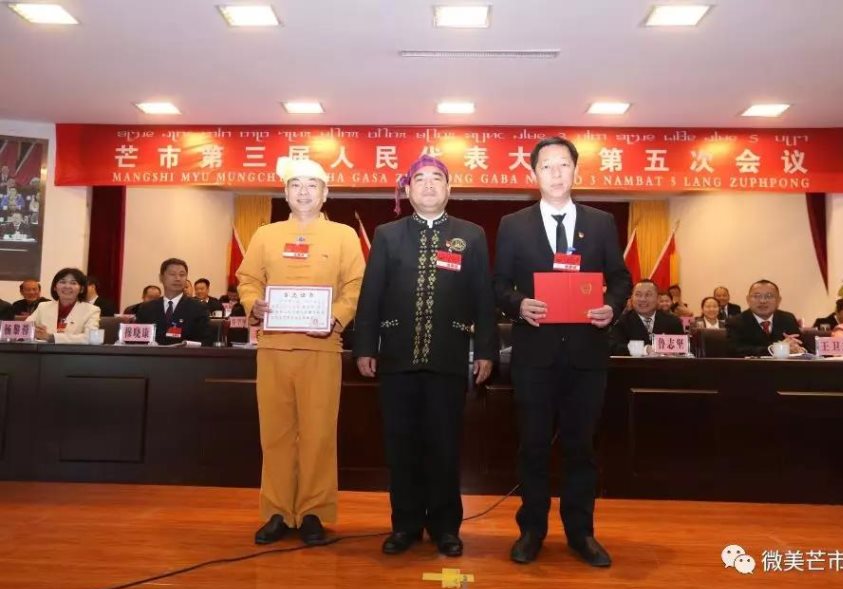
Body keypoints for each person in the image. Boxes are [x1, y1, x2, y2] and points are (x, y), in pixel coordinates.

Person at [493, 137, 631, 567]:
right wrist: (518, 304)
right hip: (535, 355)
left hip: (587, 356)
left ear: (576, 170)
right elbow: (498, 284)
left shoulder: (601, 222)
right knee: (533, 446)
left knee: (581, 448)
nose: (556, 173)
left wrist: (612, 306)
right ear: (533, 174)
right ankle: (531, 530)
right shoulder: (513, 224)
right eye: (547, 166)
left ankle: (581, 533)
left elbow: (621, 278)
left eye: (563, 165)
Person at [353, 155, 497, 558]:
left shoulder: (470, 235)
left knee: (444, 446)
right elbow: (371, 295)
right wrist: (365, 346)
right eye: (420, 179)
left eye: (437, 178)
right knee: (401, 446)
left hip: (449, 356)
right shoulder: (387, 234)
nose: (429, 185)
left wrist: (486, 350)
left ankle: (446, 527)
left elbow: (483, 297)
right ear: (408, 189)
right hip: (396, 358)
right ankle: (405, 525)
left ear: (449, 189)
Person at [238, 158, 364, 546]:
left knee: (318, 434)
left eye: (312, 185)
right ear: (285, 193)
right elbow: (248, 280)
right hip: (273, 347)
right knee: (275, 434)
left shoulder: (343, 235)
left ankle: (313, 512)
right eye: (296, 185)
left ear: (325, 194)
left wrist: (336, 318)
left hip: (321, 347)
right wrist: (254, 304)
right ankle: (277, 511)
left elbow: (355, 285)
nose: (304, 192)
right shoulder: (266, 235)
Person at [135, 258, 210, 345]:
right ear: (161, 278)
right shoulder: (146, 308)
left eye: (182, 275)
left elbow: (204, 342)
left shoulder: (198, 308)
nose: (178, 278)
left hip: (184, 353)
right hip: (151, 353)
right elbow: (137, 341)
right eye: (172, 274)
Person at [726, 280, 802, 357]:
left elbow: (802, 345)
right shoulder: (735, 322)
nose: (762, 301)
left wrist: (798, 349)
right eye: (757, 296)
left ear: (778, 300)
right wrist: (775, 349)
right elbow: (734, 350)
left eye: (769, 296)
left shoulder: (788, 318)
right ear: (748, 299)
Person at [609, 279, 684, 355]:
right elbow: (615, 348)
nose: (643, 299)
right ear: (631, 298)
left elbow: (682, 350)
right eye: (638, 295)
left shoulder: (673, 322)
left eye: (648, 295)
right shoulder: (622, 322)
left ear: (658, 299)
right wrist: (644, 349)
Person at [26, 268, 99, 344]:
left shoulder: (92, 310)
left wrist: (51, 337)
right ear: (55, 287)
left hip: (74, 351)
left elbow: (92, 338)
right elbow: (24, 329)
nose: (67, 286)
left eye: (73, 283)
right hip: (44, 351)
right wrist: (34, 332)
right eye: (62, 282)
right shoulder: (43, 306)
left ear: (82, 289)